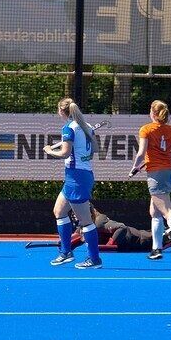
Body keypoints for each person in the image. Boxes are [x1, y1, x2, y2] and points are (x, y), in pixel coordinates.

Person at [129, 100, 171, 263]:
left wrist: (134, 168)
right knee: (155, 211)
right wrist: (169, 154)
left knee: (167, 211)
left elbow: (141, 153)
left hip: (156, 174)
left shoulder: (146, 129)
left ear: (152, 113)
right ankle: (156, 249)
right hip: (169, 172)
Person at [42, 97, 102, 269]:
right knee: (59, 211)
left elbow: (65, 153)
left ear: (62, 111)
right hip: (77, 176)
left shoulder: (69, 128)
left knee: (85, 221)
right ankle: (66, 252)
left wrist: (49, 150)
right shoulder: (86, 127)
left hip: (77, 178)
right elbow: (95, 149)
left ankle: (94, 258)